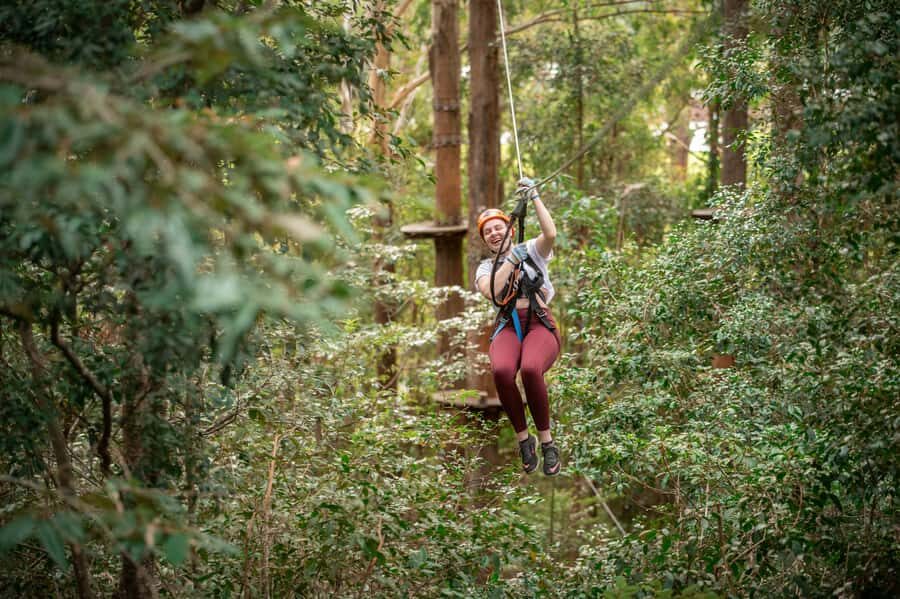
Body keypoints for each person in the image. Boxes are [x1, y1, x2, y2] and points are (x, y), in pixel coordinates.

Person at [474, 177, 562, 475]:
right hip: (509, 325)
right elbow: (496, 294)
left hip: (539, 323)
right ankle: (524, 439)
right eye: (488, 232)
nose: (494, 233)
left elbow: (550, 233)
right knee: (500, 371)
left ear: (509, 228)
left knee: (529, 369)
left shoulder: (532, 250)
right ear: (485, 241)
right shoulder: (487, 267)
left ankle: (547, 442)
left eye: (498, 227)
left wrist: (534, 196)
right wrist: (511, 259)